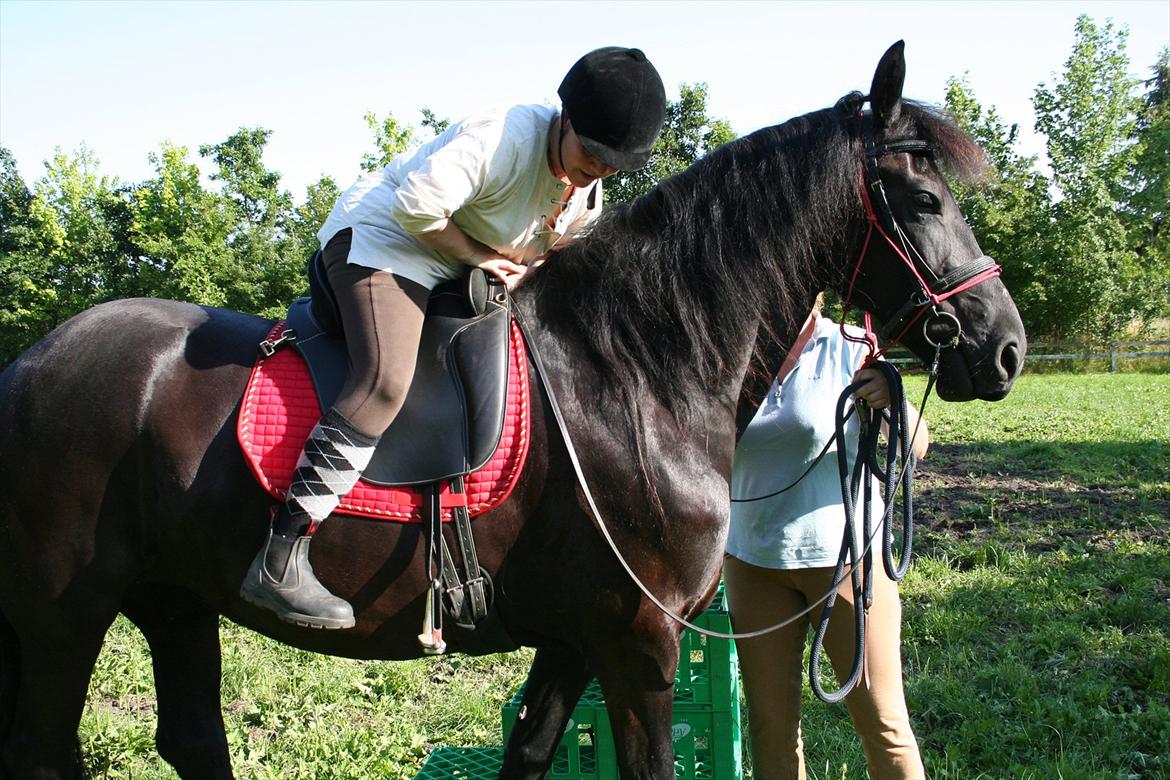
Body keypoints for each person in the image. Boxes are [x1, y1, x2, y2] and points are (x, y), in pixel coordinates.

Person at [240, 46, 667, 629]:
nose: (598, 172)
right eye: (591, 154)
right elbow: (416, 206)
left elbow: (549, 254)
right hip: (384, 243)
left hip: (453, 270)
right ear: (565, 117)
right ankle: (282, 553)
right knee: (386, 381)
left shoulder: (587, 189)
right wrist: (485, 258)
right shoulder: (504, 136)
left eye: (614, 165)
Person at [724, 301, 929, 780]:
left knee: (883, 723)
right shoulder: (726, 343)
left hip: (846, 561)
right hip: (752, 563)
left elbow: (918, 445)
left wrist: (892, 399)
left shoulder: (850, 346)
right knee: (770, 729)